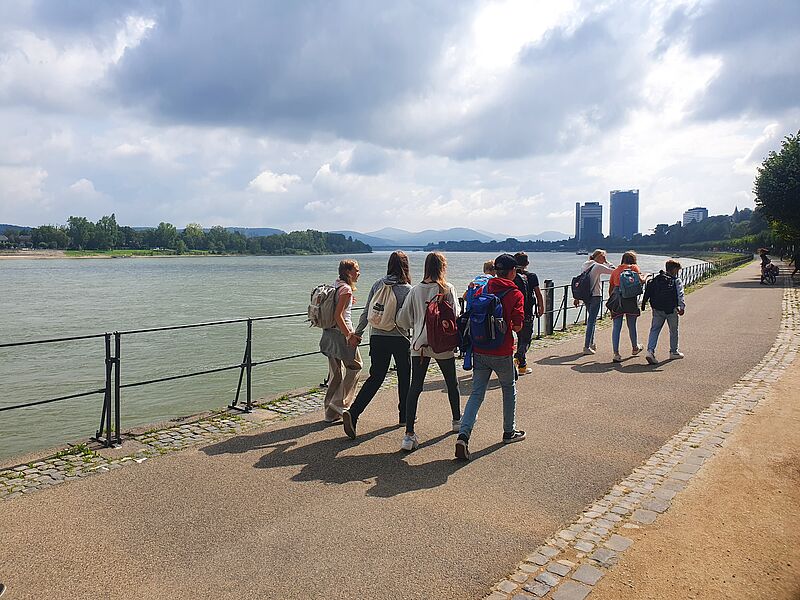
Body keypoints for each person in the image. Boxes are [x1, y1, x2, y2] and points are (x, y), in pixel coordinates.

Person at [456, 253, 526, 461]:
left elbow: (469, 307)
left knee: (477, 393)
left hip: (480, 347)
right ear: (512, 272)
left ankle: (463, 435)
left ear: (496, 271)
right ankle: (508, 432)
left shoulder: (483, 288)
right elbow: (517, 326)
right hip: (502, 350)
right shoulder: (515, 293)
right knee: (508, 389)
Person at [342, 252, 413, 439]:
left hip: (377, 337)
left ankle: (354, 413)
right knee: (404, 376)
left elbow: (367, 312)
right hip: (400, 338)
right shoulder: (408, 289)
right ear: (405, 266)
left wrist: (357, 333)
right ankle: (404, 416)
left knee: (376, 377)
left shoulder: (377, 284)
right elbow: (411, 318)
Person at [395, 252, 461, 451]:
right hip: (442, 344)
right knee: (451, 382)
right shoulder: (447, 288)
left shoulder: (415, 290)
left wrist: (416, 324)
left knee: (415, 387)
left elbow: (403, 319)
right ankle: (456, 420)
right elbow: (456, 313)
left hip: (420, 345)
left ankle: (409, 435)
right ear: (442, 267)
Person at [318, 259, 362, 423]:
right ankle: (339, 405)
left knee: (335, 373)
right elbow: (338, 316)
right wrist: (349, 335)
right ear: (348, 272)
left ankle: (330, 413)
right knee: (356, 366)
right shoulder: (346, 289)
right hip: (342, 335)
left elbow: (335, 308)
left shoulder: (336, 285)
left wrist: (348, 301)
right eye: (356, 270)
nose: (359, 273)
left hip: (328, 333)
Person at [641, 260, 686, 364]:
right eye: (678, 270)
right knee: (673, 330)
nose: (678, 272)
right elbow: (680, 294)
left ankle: (650, 351)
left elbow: (649, 291)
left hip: (657, 308)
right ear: (674, 269)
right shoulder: (676, 280)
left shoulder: (657, 279)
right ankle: (674, 352)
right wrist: (682, 307)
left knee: (654, 329)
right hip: (671, 309)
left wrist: (644, 304)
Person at [574, 249, 616, 355]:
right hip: (595, 295)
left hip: (586, 296)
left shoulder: (585, 264)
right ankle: (586, 346)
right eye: (603, 257)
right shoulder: (598, 266)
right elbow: (614, 272)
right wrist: (607, 262)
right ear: (600, 257)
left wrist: (577, 297)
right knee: (592, 321)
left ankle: (591, 343)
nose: (604, 259)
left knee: (591, 320)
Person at [608, 250, 645, 363]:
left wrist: (611, 301)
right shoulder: (634, 268)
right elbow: (641, 281)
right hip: (630, 298)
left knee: (616, 326)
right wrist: (646, 276)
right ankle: (634, 347)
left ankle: (616, 353)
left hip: (617, 298)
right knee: (632, 325)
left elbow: (611, 287)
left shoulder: (615, 271)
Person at [512, 252, 544, 375]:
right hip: (527, 311)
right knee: (526, 339)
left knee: (520, 337)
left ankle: (522, 367)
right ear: (527, 263)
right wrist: (541, 306)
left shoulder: (512, 276)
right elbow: (538, 293)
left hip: (513, 310)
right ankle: (517, 357)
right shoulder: (531, 276)